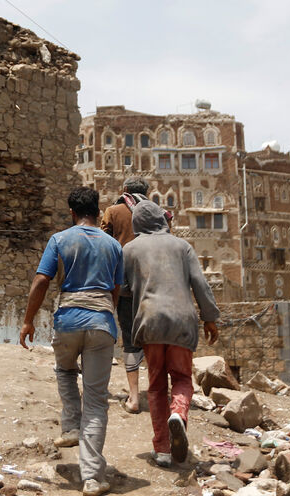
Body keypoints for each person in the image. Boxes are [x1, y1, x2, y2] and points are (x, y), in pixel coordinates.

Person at [20, 186, 124, 496]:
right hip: (102, 322)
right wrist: (105, 315)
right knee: (96, 399)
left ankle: (71, 427)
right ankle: (91, 478)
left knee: (65, 371)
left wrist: (28, 320)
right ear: (98, 211)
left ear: (71, 213)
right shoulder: (114, 246)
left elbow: (42, 280)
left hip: (67, 320)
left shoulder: (60, 240)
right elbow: (116, 289)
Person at [122, 199, 220, 467]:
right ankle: (178, 413)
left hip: (150, 322)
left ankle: (163, 449)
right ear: (161, 220)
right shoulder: (182, 246)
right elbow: (200, 283)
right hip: (181, 322)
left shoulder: (129, 249)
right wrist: (210, 318)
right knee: (182, 378)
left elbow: (123, 288)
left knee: (155, 386)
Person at [99, 176, 160, 414]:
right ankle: (158, 394)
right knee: (154, 338)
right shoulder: (157, 213)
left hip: (124, 285)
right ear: (146, 192)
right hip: (154, 285)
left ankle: (134, 398)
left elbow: (104, 243)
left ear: (124, 190)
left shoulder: (113, 212)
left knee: (129, 336)